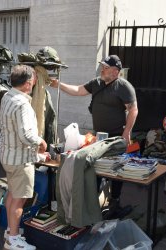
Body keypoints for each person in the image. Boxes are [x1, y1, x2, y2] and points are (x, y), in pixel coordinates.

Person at [50, 55, 138, 219]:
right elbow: (78, 90)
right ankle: (93, 204)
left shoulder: (124, 87)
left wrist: (126, 132)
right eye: (102, 67)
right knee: (95, 167)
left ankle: (115, 202)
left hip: (116, 136)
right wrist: (59, 85)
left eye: (105, 67)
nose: (102, 70)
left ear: (115, 71)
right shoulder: (96, 83)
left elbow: (133, 110)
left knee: (116, 171)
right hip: (99, 136)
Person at [0, 65, 47, 250]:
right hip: (20, 160)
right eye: (34, 79)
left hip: (8, 156)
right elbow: (26, 135)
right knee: (19, 200)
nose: (35, 82)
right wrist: (41, 142)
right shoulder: (23, 103)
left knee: (12, 194)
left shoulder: (7, 96)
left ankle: (11, 231)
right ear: (28, 83)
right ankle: (13, 239)